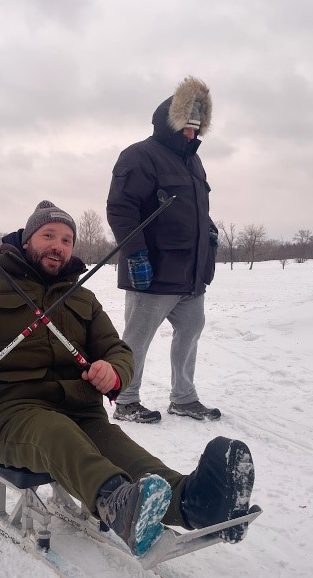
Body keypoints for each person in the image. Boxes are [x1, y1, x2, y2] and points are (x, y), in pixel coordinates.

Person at [0, 200, 255, 557]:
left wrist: (113, 370)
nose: (58, 245)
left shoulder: (82, 298)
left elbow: (117, 350)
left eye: (67, 239)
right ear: (27, 240)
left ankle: (193, 501)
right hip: (5, 415)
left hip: (79, 410)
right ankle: (114, 502)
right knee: (54, 433)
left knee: (120, 450)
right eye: (48, 235)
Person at [106, 76, 220, 424]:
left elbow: (198, 212)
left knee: (191, 331)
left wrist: (210, 234)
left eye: (196, 128)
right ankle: (126, 400)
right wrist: (136, 255)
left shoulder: (194, 163)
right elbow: (120, 209)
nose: (191, 134)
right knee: (136, 339)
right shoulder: (140, 156)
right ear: (170, 122)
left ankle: (183, 397)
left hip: (189, 273)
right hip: (153, 271)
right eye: (186, 126)